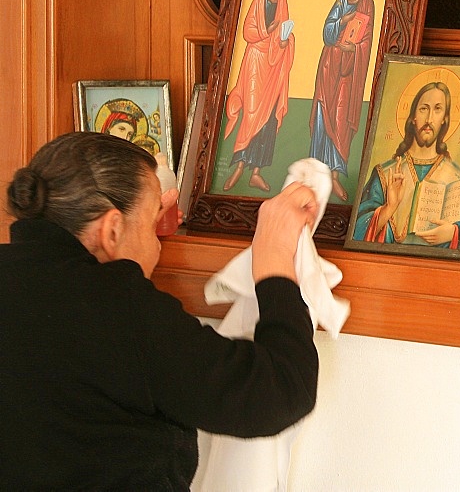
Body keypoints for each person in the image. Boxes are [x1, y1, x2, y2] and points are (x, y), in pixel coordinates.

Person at [0, 131, 320, 488]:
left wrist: (143, 219)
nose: (159, 243)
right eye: (154, 223)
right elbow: (281, 390)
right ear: (110, 230)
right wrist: (274, 257)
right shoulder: (117, 306)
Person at [353, 81, 460, 248]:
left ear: (445, 119)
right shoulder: (385, 173)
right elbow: (357, 231)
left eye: (437, 109)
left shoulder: (458, 177)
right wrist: (389, 207)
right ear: (413, 117)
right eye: (423, 109)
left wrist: (453, 232)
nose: (429, 119)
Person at [223, 0, 296, 193]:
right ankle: (239, 168)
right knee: (252, 113)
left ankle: (256, 172)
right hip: (256, 62)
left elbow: (282, 33)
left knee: (269, 116)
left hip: (274, 66)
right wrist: (268, 31)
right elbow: (248, 32)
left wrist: (284, 42)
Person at [309, 0, 376, 203]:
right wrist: (342, 20)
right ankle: (316, 173)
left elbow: (367, 41)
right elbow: (327, 32)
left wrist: (355, 49)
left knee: (339, 119)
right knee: (320, 117)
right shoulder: (341, 0)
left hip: (349, 71)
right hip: (328, 67)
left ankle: (335, 177)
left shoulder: (367, 3)